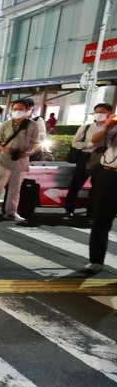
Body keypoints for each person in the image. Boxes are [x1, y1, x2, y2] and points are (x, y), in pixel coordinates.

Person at [0, 99, 41, 222]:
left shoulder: (32, 125)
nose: (17, 111)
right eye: (15, 109)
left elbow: (37, 143)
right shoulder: (5, 125)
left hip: (21, 161)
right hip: (4, 160)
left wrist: (30, 152)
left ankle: (11, 212)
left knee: (15, 189)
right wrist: (5, 149)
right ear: (11, 110)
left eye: (20, 109)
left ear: (26, 111)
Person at [66, 103, 113, 218]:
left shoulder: (113, 129)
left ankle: (91, 212)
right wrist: (91, 144)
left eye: (102, 112)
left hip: (103, 160)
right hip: (86, 157)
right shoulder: (86, 127)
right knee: (76, 184)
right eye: (96, 112)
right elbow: (75, 143)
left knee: (97, 187)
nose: (98, 114)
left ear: (109, 114)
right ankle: (69, 208)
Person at [85, 110, 117, 273]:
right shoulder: (113, 127)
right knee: (100, 218)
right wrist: (106, 127)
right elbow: (95, 140)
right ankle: (96, 260)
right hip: (108, 174)